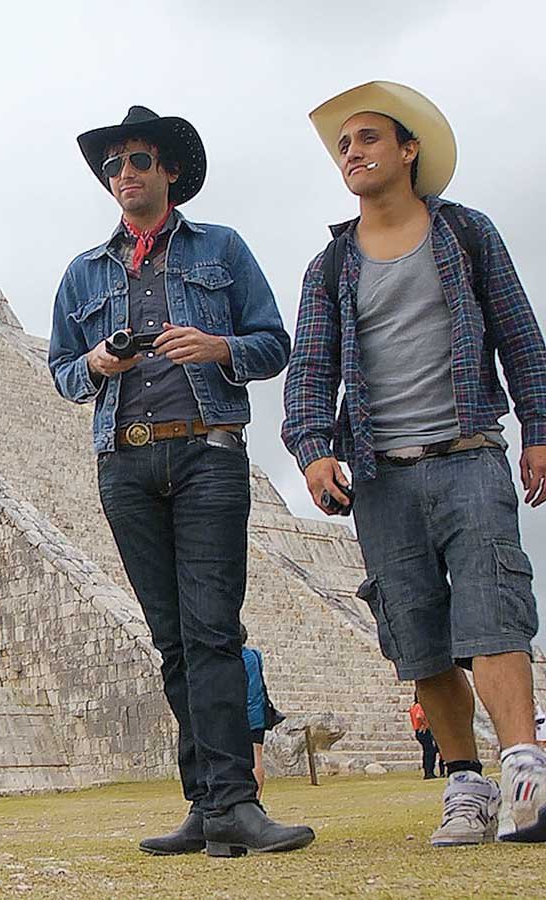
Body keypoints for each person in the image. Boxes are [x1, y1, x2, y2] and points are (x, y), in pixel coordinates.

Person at [282, 81, 546, 846]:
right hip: (382, 474)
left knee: (495, 609)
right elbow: (308, 375)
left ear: (409, 150)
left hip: (468, 454)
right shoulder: (330, 266)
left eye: (368, 139)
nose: (353, 154)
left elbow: (522, 339)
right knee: (419, 633)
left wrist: (539, 428)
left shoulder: (466, 235)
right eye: (343, 146)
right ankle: (467, 784)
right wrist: (312, 450)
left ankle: (525, 771)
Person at [49, 106, 311, 858]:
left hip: (207, 454)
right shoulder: (83, 273)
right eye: (113, 167)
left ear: (167, 170)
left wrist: (217, 345)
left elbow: (272, 343)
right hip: (125, 460)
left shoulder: (221, 248)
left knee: (213, 633)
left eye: (136, 161)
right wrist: (98, 363)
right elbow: (63, 372)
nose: (123, 175)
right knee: (171, 641)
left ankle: (234, 802)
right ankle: (206, 805)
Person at [240, 627, 274, 797]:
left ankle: (244, 798)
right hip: (258, 713)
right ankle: (257, 799)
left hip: (240, 714)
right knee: (257, 757)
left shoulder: (234, 660)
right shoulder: (255, 655)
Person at [411, 700, 441, 780]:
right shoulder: (420, 706)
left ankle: (427, 771)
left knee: (427, 751)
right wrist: (425, 724)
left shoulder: (413, 707)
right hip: (424, 730)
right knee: (430, 751)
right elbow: (419, 716)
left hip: (418, 730)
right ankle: (429, 772)